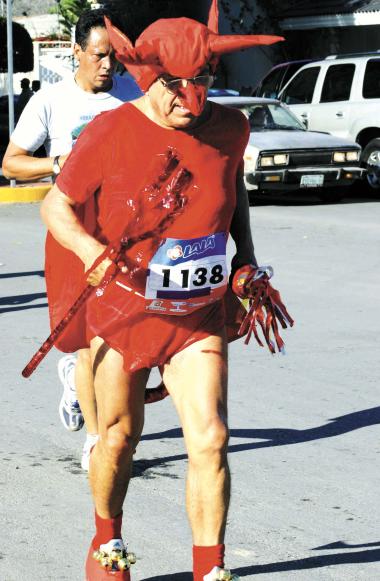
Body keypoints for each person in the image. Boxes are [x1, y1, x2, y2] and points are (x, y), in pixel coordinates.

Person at [39, 1, 287, 579]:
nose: (190, 100)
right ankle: (108, 541)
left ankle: (210, 569)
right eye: (176, 86)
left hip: (197, 314)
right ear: (149, 75)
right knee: (120, 438)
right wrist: (90, 254)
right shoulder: (110, 130)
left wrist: (244, 260)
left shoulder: (231, 128)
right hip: (124, 309)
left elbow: (234, 193)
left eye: (202, 83)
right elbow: (58, 205)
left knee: (211, 438)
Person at [2, 7, 142, 471]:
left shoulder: (132, 97)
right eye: (99, 55)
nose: (108, 65)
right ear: (76, 52)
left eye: (115, 58)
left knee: (120, 340)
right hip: (73, 233)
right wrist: (56, 163)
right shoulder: (50, 100)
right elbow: (11, 164)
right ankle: (98, 440)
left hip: (125, 235)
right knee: (88, 342)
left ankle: (96, 403)